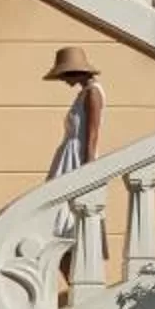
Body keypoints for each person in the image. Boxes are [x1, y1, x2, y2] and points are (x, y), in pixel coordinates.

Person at [44, 45, 105, 238]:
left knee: (67, 216)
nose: (63, 80)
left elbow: (93, 132)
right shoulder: (84, 92)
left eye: (64, 75)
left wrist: (87, 168)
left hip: (77, 158)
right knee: (57, 216)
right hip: (68, 157)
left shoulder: (93, 92)